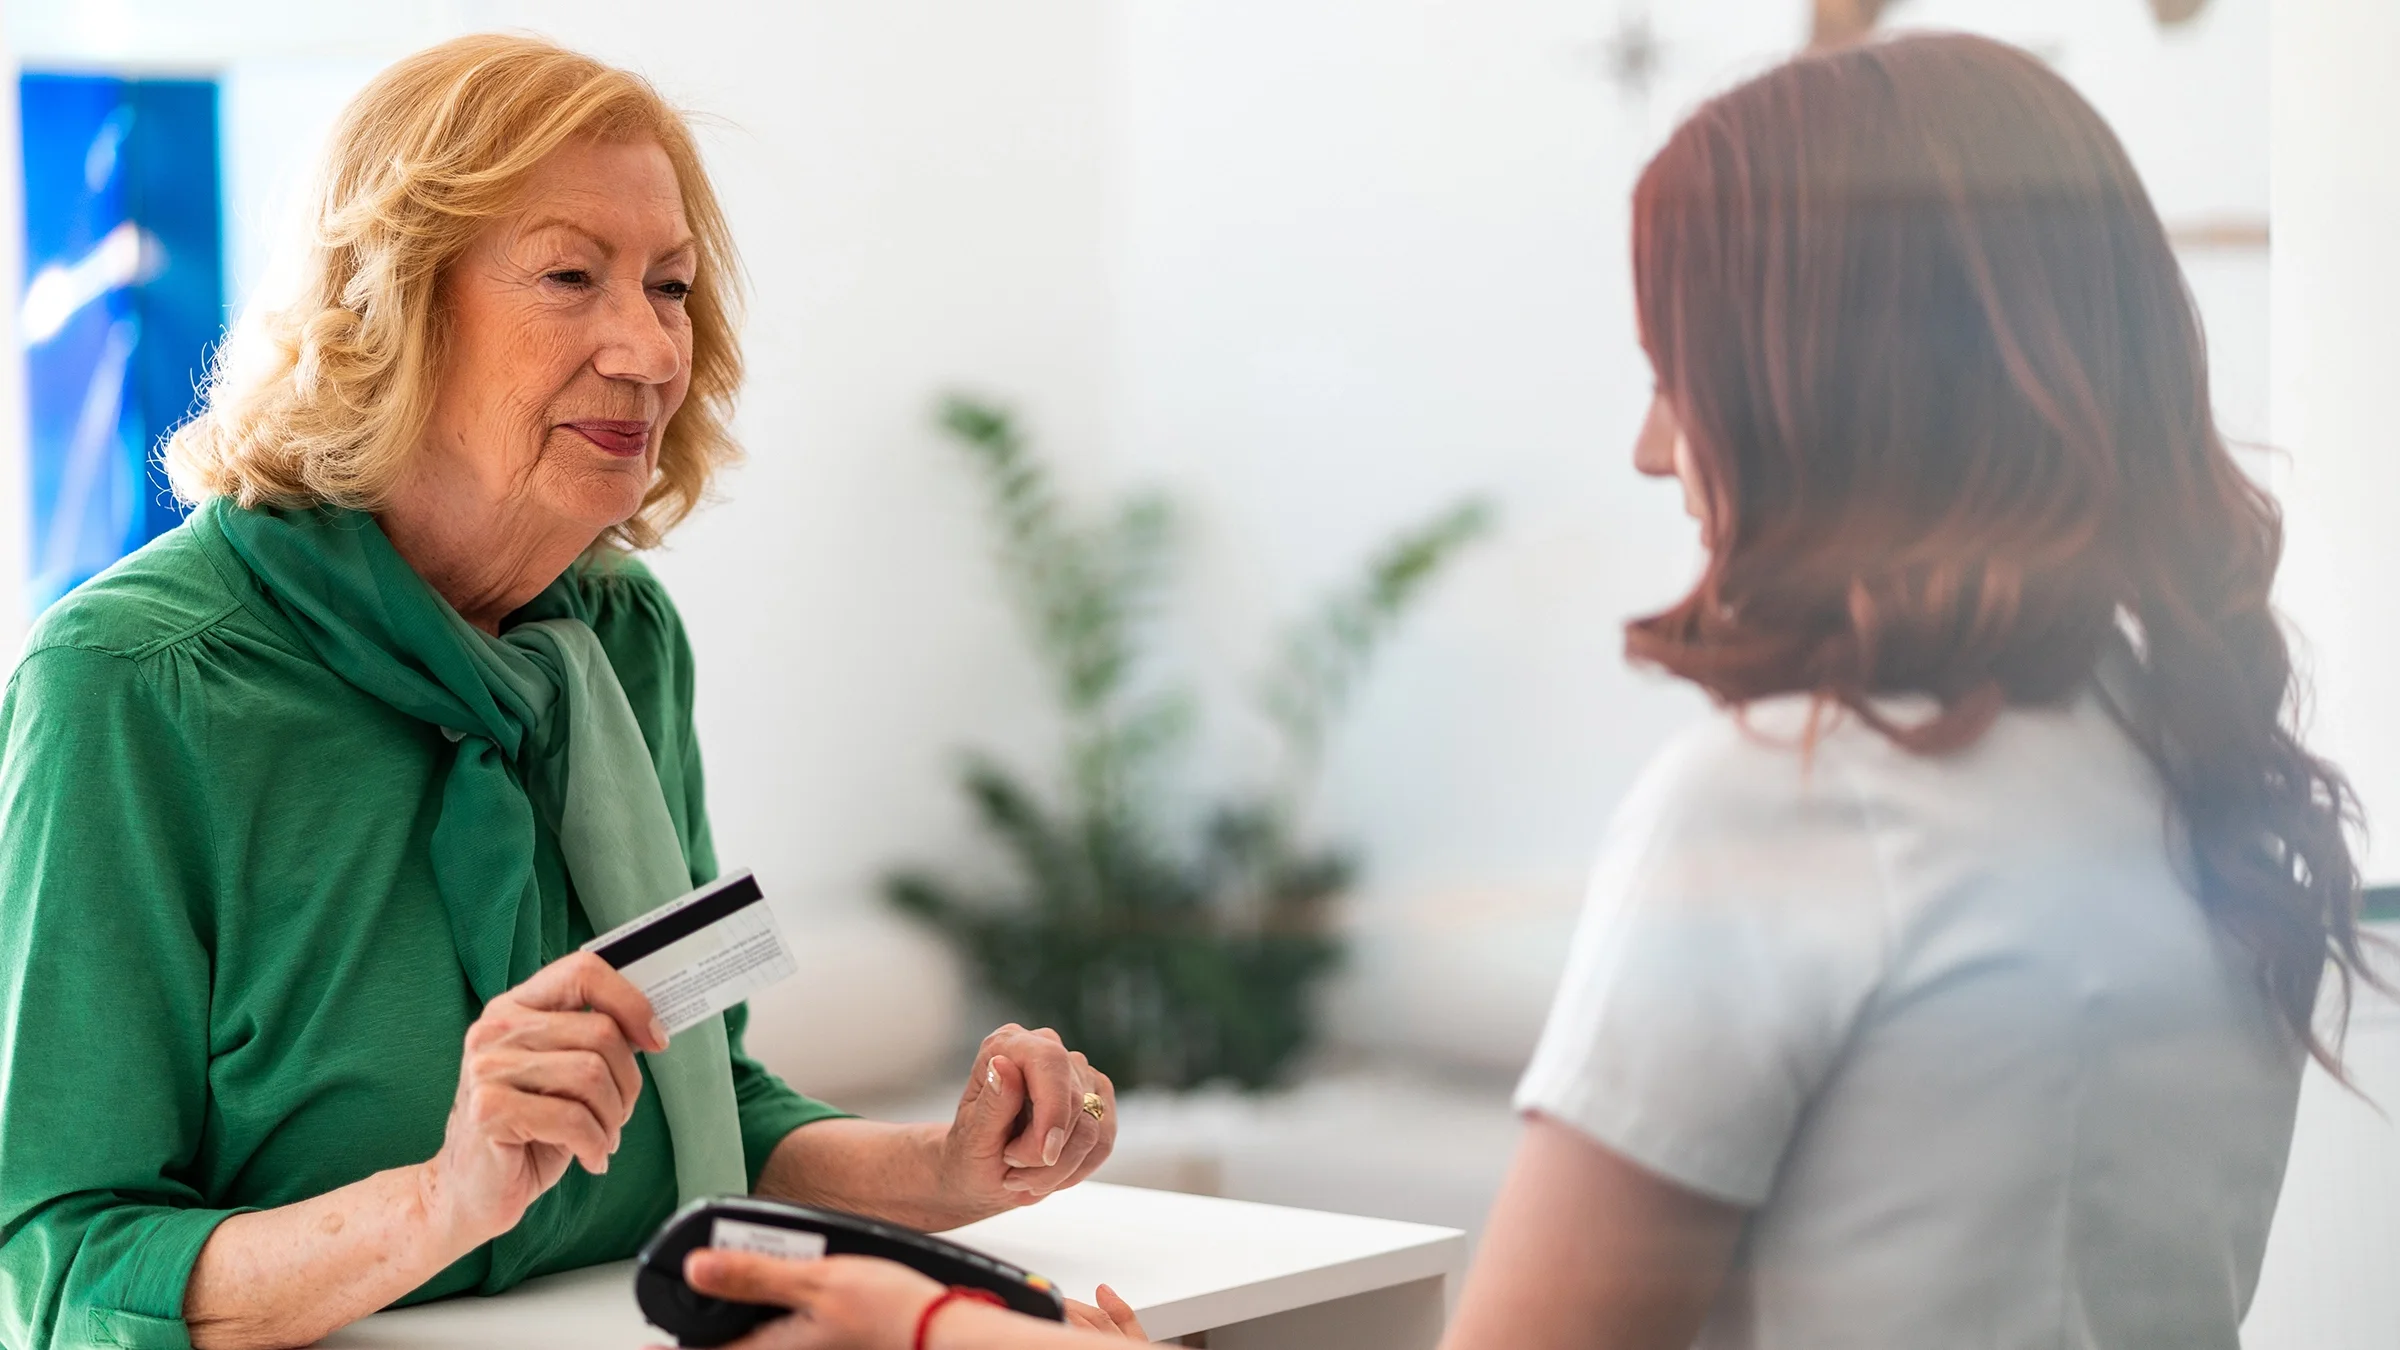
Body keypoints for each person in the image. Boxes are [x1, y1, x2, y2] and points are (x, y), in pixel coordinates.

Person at [655, 30, 2375, 1350]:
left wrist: (944, 1322)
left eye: (1679, 373)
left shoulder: (1793, 797)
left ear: (1829, 388)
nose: (1650, 444)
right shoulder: (2188, 762)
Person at [0, 36, 1119, 1350]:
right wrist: (439, 1200)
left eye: (672, 285)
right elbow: (67, 1259)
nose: (648, 350)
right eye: (570, 276)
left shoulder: (624, 637)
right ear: (392, 308)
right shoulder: (128, 687)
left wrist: (950, 1166)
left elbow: (707, 1104)